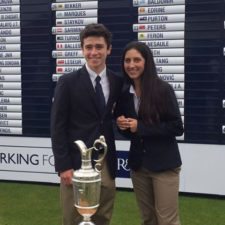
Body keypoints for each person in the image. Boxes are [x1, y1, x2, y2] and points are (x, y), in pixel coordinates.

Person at [51, 23, 123, 225]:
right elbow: (57, 127)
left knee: (102, 217)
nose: (94, 52)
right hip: (75, 165)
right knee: (74, 218)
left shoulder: (117, 81)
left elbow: (115, 115)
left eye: (99, 47)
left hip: (105, 163)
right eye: (88, 47)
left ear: (108, 49)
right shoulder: (67, 82)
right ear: (82, 50)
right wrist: (63, 166)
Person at [115, 41, 184, 225]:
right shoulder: (124, 93)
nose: (131, 65)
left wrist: (141, 127)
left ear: (147, 62)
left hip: (164, 166)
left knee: (167, 220)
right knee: (148, 219)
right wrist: (122, 125)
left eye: (137, 59)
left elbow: (177, 127)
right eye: (127, 60)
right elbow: (131, 132)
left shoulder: (162, 89)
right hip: (139, 166)